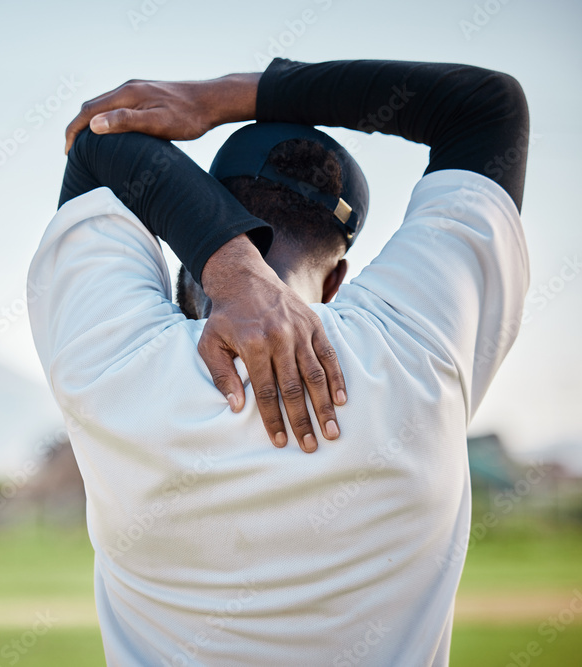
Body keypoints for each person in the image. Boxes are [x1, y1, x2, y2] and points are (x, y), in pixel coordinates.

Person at [28, 58, 529, 665]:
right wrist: (220, 98)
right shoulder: (418, 347)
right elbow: (485, 105)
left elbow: (101, 146)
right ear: (339, 277)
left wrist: (229, 265)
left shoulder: (114, 367)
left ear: (186, 234)